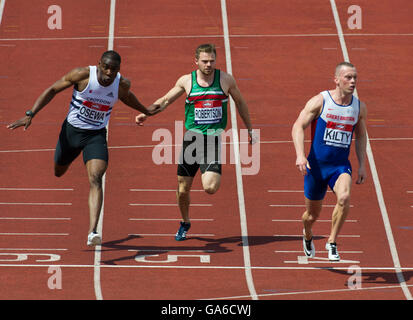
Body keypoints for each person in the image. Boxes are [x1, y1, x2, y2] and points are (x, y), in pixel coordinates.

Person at [7, 50, 159, 246]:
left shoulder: (121, 84)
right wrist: (31, 113)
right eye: (106, 67)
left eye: (114, 69)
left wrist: (144, 110)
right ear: (99, 64)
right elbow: (53, 89)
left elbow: (127, 97)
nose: (109, 72)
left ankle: (92, 231)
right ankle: (66, 160)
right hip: (71, 133)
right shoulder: (82, 75)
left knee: (96, 178)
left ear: (119, 70)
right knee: (58, 171)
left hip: (95, 136)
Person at [136, 43, 254, 241]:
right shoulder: (186, 81)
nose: (209, 65)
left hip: (213, 139)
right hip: (192, 140)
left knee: (210, 187)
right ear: (196, 61)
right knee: (183, 190)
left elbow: (240, 102)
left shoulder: (225, 80)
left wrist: (249, 128)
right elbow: (165, 100)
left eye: (212, 61)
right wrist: (146, 113)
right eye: (205, 61)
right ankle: (185, 222)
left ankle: (207, 171)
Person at [291, 61, 367, 261]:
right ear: (336, 80)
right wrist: (300, 155)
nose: (352, 81)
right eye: (348, 77)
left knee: (344, 197)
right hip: (316, 168)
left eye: (355, 78)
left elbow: (361, 136)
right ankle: (307, 233)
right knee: (311, 216)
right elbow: (298, 126)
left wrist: (362, 165)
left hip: (340, 167)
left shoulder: (358, 108)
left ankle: (332, 242)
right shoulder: (321, 101)